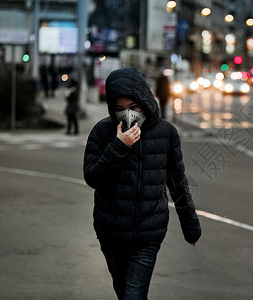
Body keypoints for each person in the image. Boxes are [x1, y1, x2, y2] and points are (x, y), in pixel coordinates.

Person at [84, 67, 201, 299]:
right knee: (123, 291)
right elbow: (93, 177)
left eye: (134, 108)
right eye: (120, 109)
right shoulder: (103, 131)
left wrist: (191, 228)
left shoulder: (166, 133)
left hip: (148, 233)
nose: (128, 115)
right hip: (112, 231)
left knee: (133, 296)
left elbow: (177, 183)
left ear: (144, 101)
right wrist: (118, 146)